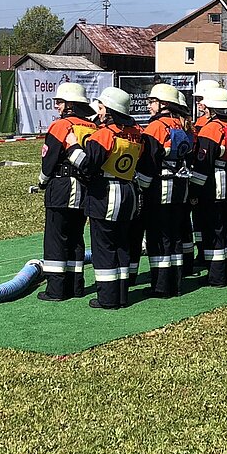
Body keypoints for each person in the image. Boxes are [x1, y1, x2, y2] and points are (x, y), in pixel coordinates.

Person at [72, 86, 146, 309]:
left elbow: (88, 166)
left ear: (111, 110)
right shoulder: (137, 133)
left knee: (104, 248)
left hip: (106, 195)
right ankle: (122, 295)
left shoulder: (104, 134)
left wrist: (72, 147)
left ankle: (107, 298)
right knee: (122, 245)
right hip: (129, 193)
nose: (100, 112)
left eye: (102, 108)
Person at [32, 82, 97, 301]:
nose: (56, 106)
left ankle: (56, 290)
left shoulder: (60, 126)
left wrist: (42, 181)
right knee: (76, 238)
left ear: (70, 105)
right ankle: (76, 287)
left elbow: (49, 160)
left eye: (59, 102)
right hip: (84, 188)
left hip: (61, 187)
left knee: (55, 238)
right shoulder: (92, 127)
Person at [140, 83, 194, 297]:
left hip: (160, 187)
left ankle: (161, 286)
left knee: (158, 236)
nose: (149, 106)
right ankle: (176, 283)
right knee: (175, 235)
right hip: (180, 186)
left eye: (152, 102)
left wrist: (142, 187)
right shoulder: (183, 125)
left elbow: (148, 160)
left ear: (163, 104)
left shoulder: (155, 127)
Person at [190, 87, 227, 287]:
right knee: (226, 227)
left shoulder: (211, 129)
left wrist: (194, 191)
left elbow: (203, 164)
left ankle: (216, 276)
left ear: (212, 108)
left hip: (215, 183)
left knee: (213, 229)